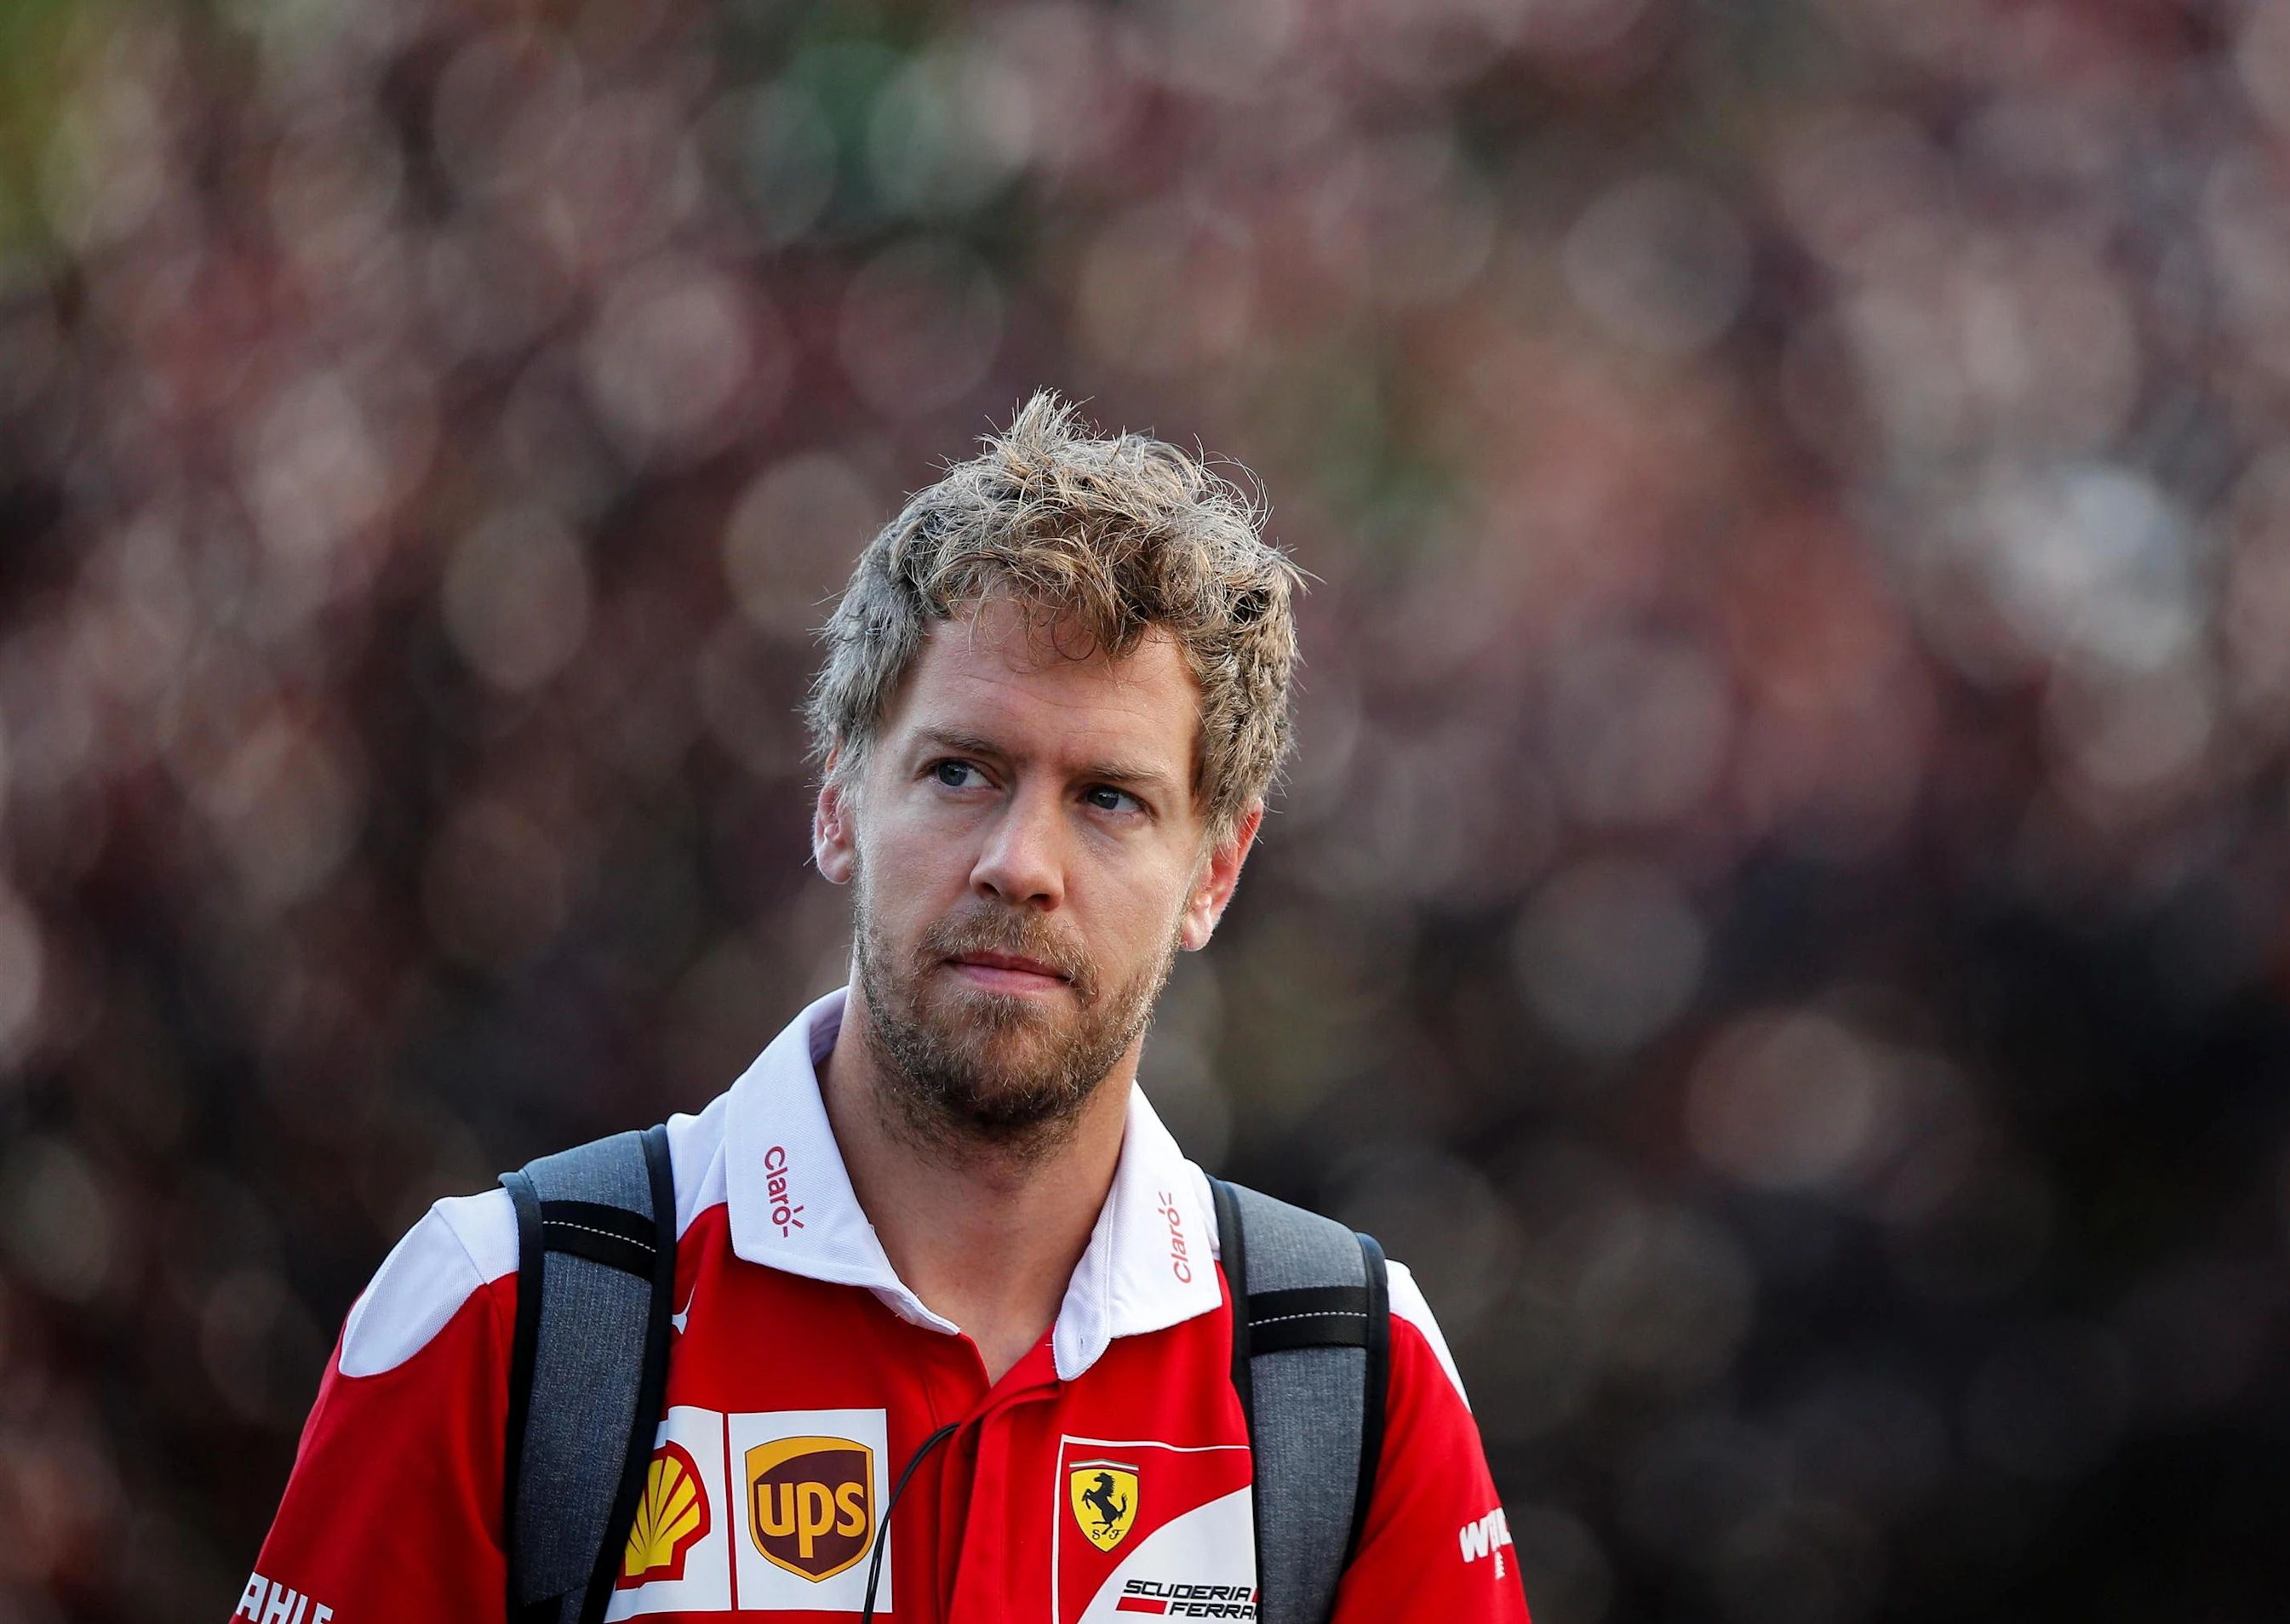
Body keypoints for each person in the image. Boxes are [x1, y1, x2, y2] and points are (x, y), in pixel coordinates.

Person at [234, 396, 1530, 1622]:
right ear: (841, 802)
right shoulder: (504, 1313)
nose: (1021, 863)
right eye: (962, 770)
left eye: (1111, 800)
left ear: (1217, 872)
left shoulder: (1350, 1379)